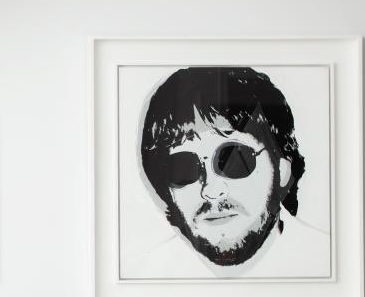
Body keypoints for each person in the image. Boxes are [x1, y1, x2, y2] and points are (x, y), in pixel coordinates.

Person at [138, 65, 329, 278]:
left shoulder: (327, 260)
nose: (211, 190)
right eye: (184, 168)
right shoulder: (150, 274)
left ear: (282, 172)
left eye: (233, 159)